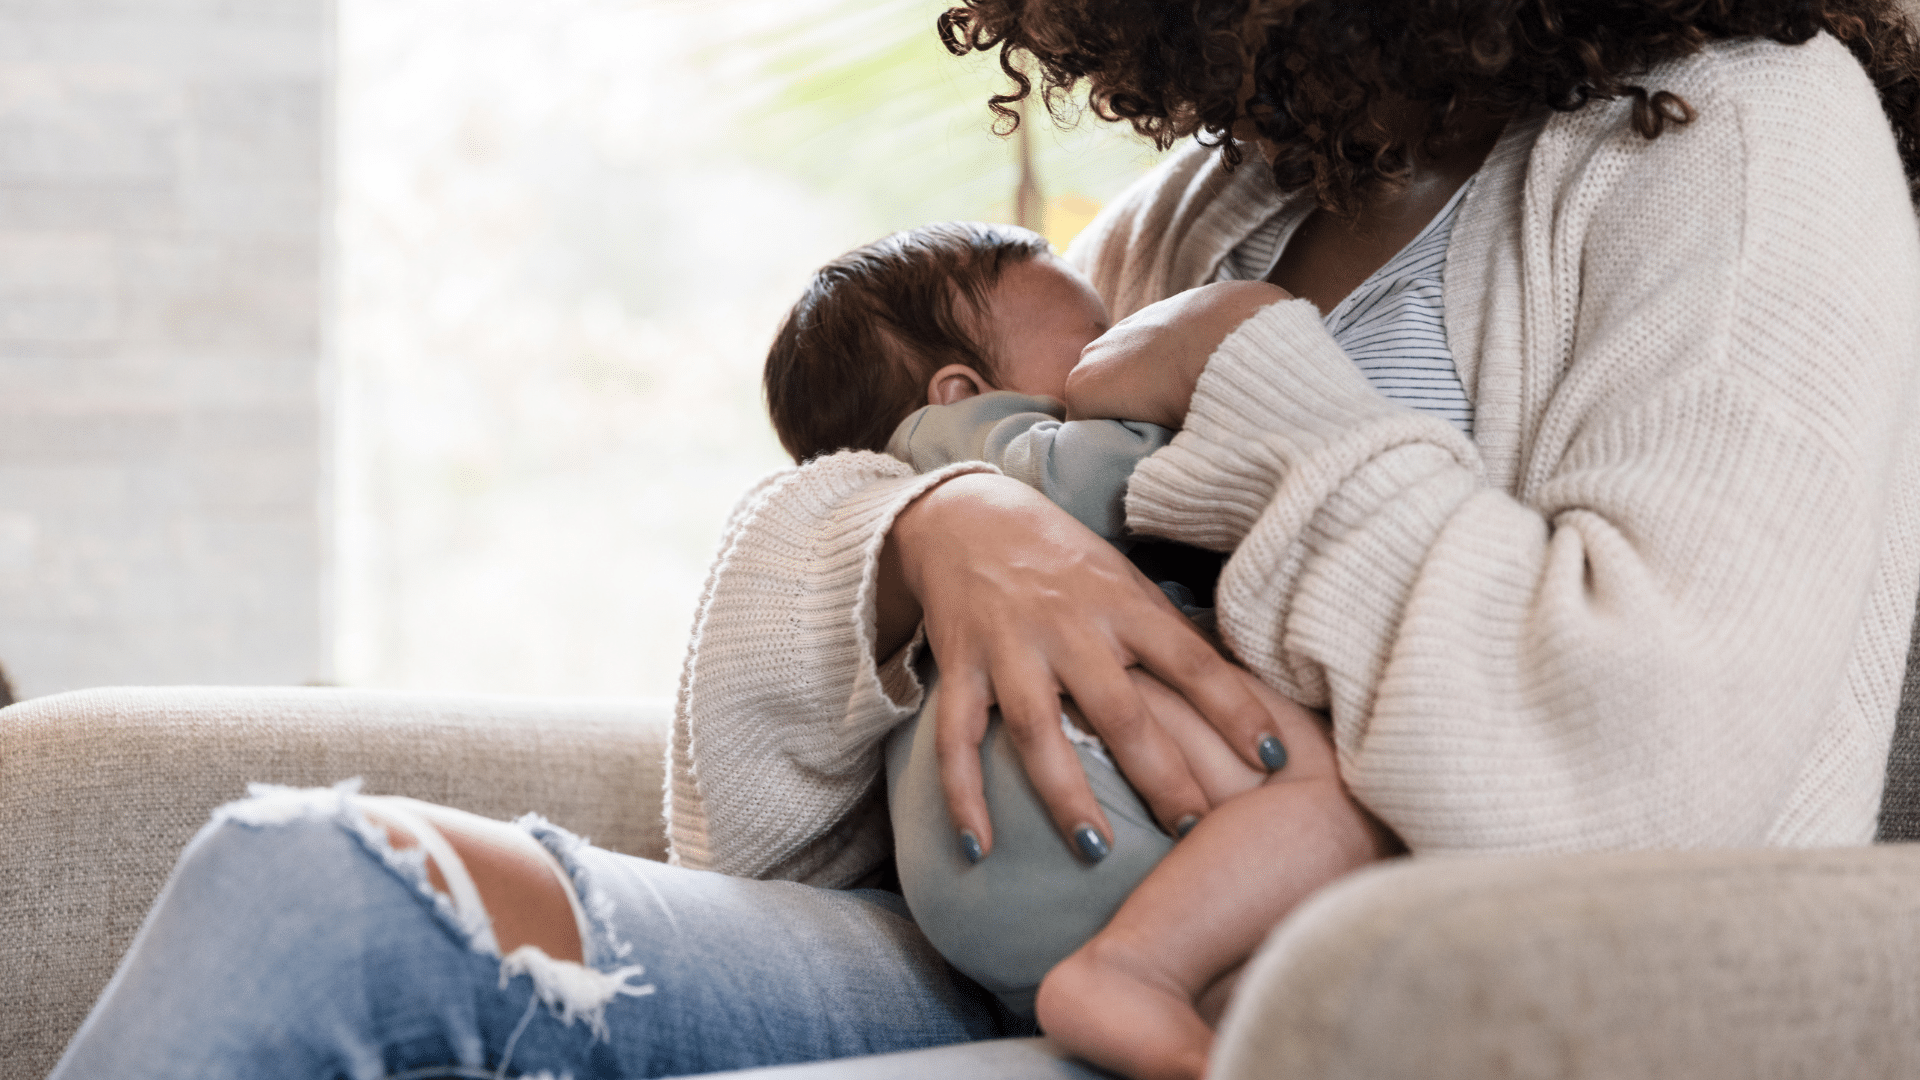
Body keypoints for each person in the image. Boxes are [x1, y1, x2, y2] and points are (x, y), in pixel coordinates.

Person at [49, 0, 1920, 1077]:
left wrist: (1262, 391)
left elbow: (1649, 778)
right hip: (982, 943)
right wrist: (930, 524)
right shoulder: (1230, 194)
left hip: (1310, 1006)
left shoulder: (1744, 137)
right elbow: (767, 801)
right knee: (313, 885)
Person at [759, 219, 1396, 1046]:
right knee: (1345, 800)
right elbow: (1109, 477)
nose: (1117, 357)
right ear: (957, 392)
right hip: (1051, 787)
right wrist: (1210, 364)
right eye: (1098, 343)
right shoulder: (967, 448)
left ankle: (1161, 1003)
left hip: (970, 867)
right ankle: (1131, 969)